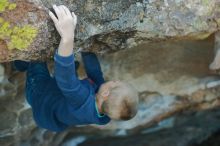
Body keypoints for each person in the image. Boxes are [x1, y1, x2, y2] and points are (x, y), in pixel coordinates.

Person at [14, 5, 139, 132]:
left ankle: (20, 63)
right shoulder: (105, 110)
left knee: (37, 60)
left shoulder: (81, 100)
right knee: (72, 67)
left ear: (106, 93)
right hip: (59, 105)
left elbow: (65, 78)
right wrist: (86, 48)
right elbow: (95, 74)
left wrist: (68, 38)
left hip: (41, 95)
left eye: (116, 82)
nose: (115, 80)